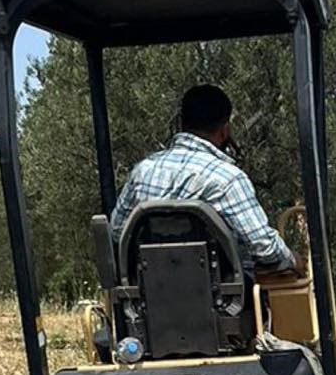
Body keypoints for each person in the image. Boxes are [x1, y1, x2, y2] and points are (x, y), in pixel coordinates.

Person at [110, 84, 297, 275]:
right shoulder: (227, 179)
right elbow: (265, 249)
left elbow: (117, 232)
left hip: (150, 297)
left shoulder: (143, 171)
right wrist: (292, 258)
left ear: (182, 124)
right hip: (222, 300)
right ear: (225, 130)